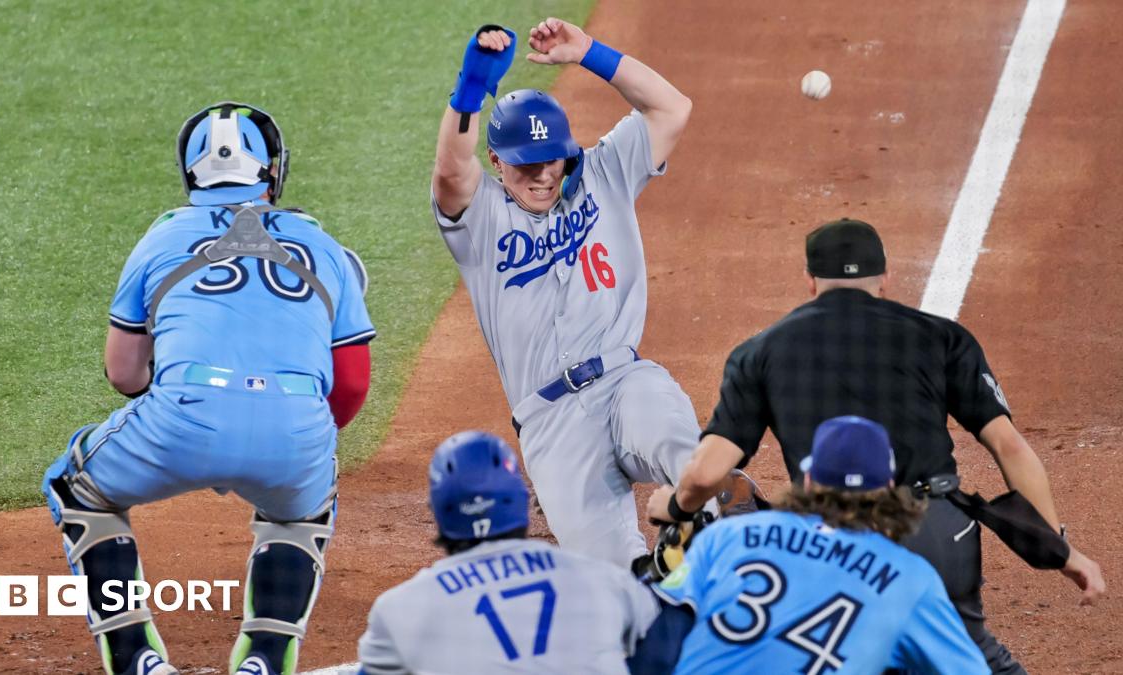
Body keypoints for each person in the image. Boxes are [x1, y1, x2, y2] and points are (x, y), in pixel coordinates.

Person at [647, 218, 1106, 673]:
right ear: (884, 277)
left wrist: (676, 506)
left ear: (810, 280)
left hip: (825, 538)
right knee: (971, 653)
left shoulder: (760, 351)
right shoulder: (943, 337)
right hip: (935, 531)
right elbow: (1010, 448)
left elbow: (707, 474)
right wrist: (1057, 546)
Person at [40, 102, 376, 675]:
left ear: (190, 172)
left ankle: (136, 657)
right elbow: (351, 383)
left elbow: (123, 374)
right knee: (300, 513)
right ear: (272, 171)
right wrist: (292, 429)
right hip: (296, 427)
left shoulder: (162, 236)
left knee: (76, 487)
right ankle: (264, 660)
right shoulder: (323, 245)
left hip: (183, 417)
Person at [430, 17, 748, 574]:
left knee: (689, 461)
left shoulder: (604, 173)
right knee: (613, 581)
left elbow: (672, 109)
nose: (542, 176)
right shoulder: (481, 219)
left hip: (626, 381)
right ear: (497, 161)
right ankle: (666, 578)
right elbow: (451, 172)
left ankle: (727, 525)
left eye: (551, 160)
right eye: (526, 165)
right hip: (551, 425)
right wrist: (473, 84)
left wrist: (590, 53)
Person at [649, 416, 992, 674]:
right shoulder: (910, 579)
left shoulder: (728, 536)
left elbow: (653, 636)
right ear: (889, 488)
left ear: (810, 481)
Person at [357, 431, 686, 675]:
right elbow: (667, 649)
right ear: (520, 500)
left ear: (440, 511)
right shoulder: (604, 580)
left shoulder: (399, 610)